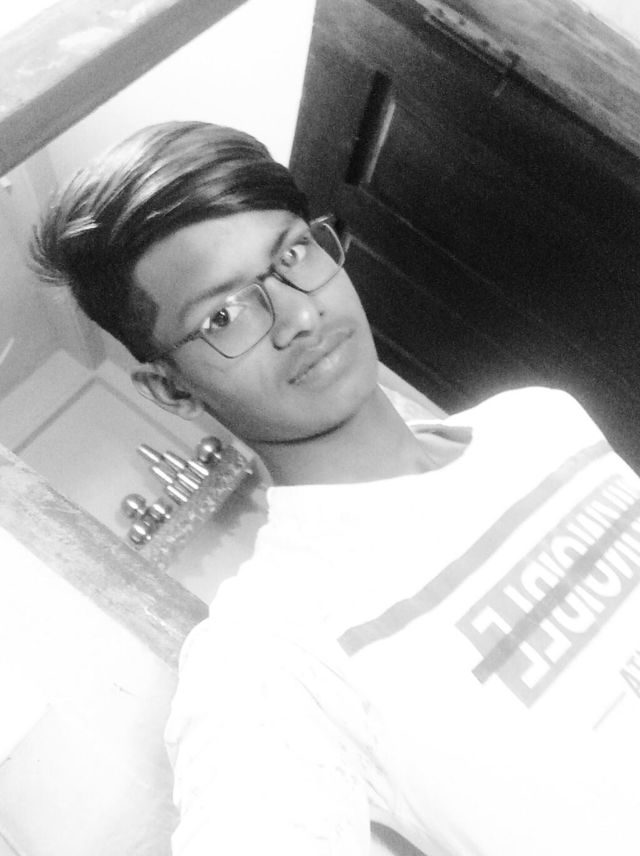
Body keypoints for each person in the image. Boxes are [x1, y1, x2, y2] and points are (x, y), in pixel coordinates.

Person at [33, 120, 640, 856]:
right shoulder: (268, 655)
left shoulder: (540, 420)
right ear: (171, 389)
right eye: (223, 315)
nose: (297, 314)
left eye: (292, 254)